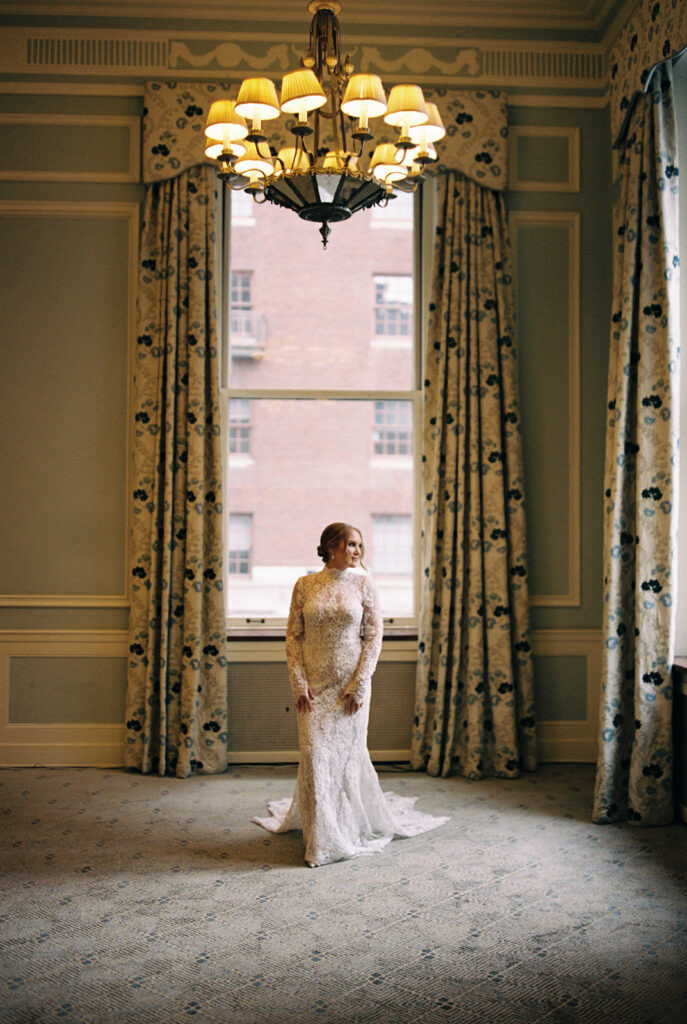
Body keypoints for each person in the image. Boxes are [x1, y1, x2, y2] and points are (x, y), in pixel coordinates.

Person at [253, 522, 448, 867]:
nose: (357, 551)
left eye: (360, 545)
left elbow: (374, 636)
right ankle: (319, 836)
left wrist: (359, 683)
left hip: (350, 688)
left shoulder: (364, 584)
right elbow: (293, 637)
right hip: (313, 687)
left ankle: (336, 834)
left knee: (344, 760)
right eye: (351, 544)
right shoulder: (304, 585)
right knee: (314, 754)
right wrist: (298, 682)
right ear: (331, 546)